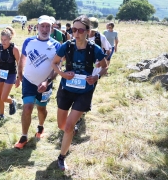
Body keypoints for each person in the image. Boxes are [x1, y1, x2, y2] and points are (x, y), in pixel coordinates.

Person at [51, 15, 108, 171]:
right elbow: (54, 63)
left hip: (84, 92)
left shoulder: (94, 49)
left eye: (80, 30)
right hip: (66, 90)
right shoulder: (67, 46)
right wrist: (62, 74)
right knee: (61, 125)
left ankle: (61, 157)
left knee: (68, 127)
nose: (76, 33)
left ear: (88, 32)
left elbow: (105, 66)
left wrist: (96, 76)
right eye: (73, 29)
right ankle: (72, 131)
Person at [14, 15, 61, 149]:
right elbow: (22, 58)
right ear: (37, 27)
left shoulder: (56, 45)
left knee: (41, 108)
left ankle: (40, 127)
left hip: (46, 83)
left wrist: (47, 81)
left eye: (48, 27)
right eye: (42, 26)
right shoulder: (28, 41)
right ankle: (23, 136)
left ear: (52, 29)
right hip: (29, 81)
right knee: (27, 107)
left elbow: (58, 67)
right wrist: (19, 74)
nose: (45, 29)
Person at [73, 17, 111, 134]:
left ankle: (81, 112)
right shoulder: (78, 36)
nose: (92, 33)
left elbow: (109, 50)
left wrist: (103, 60)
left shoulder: (101, 37)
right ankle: (77, 111)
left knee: (88, 91)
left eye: (94, 30)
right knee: (76, 92)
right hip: (79, 71)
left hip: (94, 72)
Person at [0, 27, 20, 121]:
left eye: (5, 40)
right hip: (0, 74)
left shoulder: (14, 49)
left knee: (4, 97)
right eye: (1, 39)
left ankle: (12, 101)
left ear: (10, 39)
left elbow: (19, 64)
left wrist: (18, 78)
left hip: (11, 74)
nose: (3, 42)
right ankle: (1, 115)